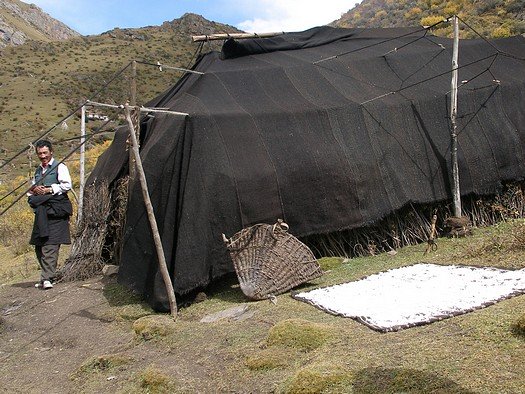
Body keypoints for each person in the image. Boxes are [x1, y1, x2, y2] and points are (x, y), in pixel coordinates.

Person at [28, 140, 73, 290]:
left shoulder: (60, 167)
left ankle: (47, 278)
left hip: (56, 210)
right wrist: (36, 189)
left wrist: (48, 190)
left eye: (45, 153)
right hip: (42, 212)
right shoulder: (37, 171)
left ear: (51, 152)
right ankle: (47, 275)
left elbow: (67, 185)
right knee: (39, 245)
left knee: (50, 245)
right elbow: (30, 190)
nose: (42, 156)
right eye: (40, 153)